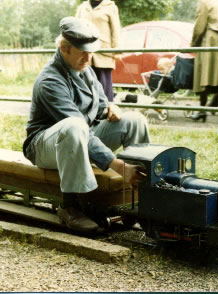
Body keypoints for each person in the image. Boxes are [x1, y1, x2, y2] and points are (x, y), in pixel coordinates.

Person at [22, 17, 150, 233]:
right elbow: (76, 124)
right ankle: (70, 206)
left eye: (91, 51)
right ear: (64, 48)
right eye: (83, 51)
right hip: (45, 146)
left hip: (79, 136)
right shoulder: (50, 80)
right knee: (74, 126)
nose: (89, 57)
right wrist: (118, 166)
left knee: (134, 120)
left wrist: (110, 107)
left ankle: (140, 193)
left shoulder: (84, 68)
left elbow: (99, 106)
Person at [76, 0, 121, 102]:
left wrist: (117, 50)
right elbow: (76, 28)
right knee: (85, 85)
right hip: (85, 51)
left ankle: (106, 112)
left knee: (104, 87)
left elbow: (116, 30)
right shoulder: (82, 7)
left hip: (103, 52)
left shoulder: (110, 6)